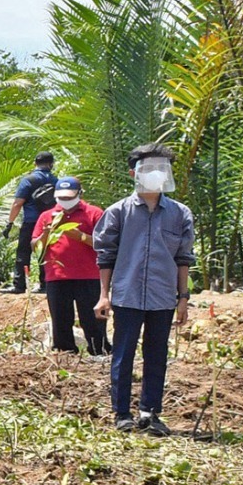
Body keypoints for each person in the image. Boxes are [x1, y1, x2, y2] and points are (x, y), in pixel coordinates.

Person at [94, 143, 195, 435]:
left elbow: (183, 258)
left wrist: (183, 298)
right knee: (123, 354)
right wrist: (104, 295)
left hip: (163, 297)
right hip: (126, 294)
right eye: (149, 168)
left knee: (157, 355)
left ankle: (150, 413)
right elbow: (105, 255)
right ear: (133, 173)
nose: (155, 174)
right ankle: (122, 413)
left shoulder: (179, 214)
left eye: (161, 168)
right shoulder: (118, 212)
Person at [33, 177, 106, 357]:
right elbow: (35, 246)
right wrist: (46, 234)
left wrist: (80, 236)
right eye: (61, 198)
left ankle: (99, 353)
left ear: (79, 194)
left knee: (92, 320)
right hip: (57, 276)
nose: (65, 201)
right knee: (60, 321)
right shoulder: (46, 216)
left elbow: (106, 243)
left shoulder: (94, 213)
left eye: (69, 197)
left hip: (88, 276)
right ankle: (64, 355)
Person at [3, 151, 59, 294]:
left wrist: (10, 223)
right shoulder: (56, 181)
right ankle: (46, 285)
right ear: (51, 164)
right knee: (46, 252)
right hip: (49, 222)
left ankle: (19, 285)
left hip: (30, 221)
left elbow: (17, 203)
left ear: (35, 163)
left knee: (23, 252)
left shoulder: (28, 180)